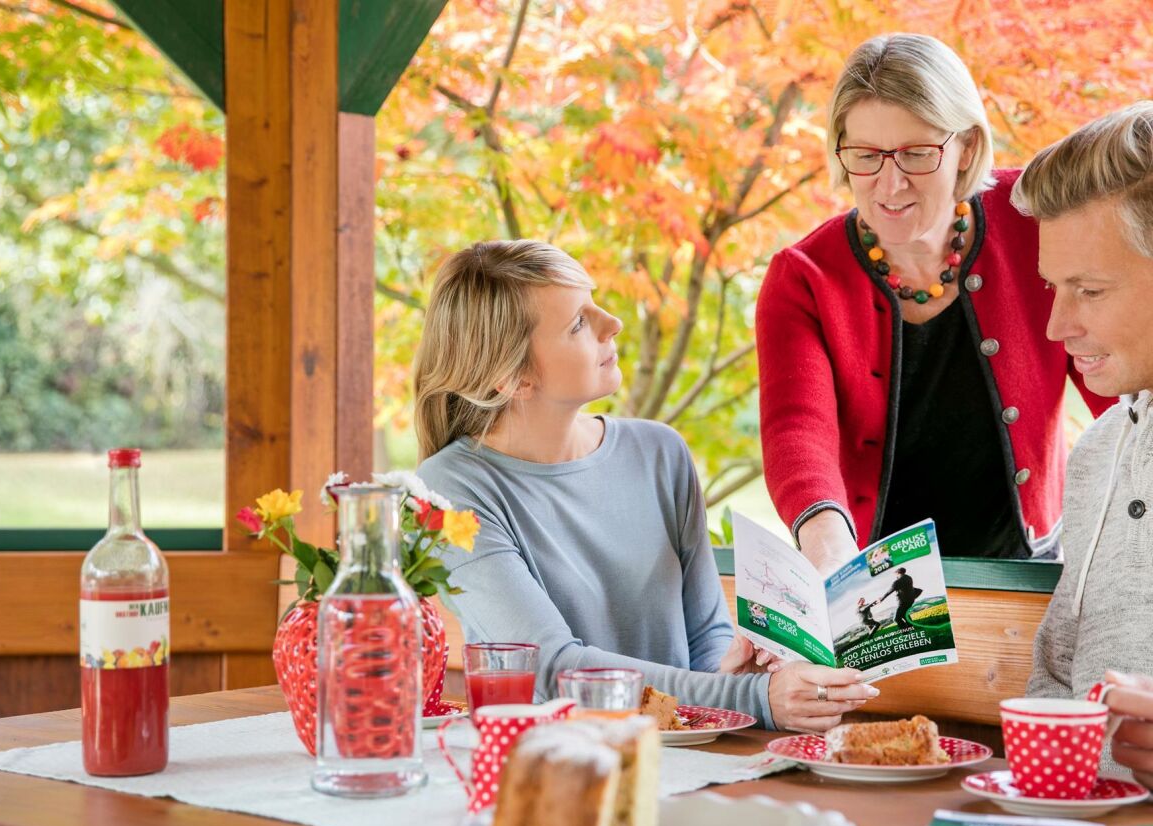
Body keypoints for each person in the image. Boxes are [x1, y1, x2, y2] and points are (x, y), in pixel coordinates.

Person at [414, 239, 878, 732]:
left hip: (687, 761)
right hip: (555, 770)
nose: (612, 322)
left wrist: (737, 670)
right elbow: (548, 669)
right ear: (513, 377)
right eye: (577, 322)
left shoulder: (661, 453)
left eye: (595, 302)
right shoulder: (447, 493)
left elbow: (703, 640)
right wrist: (754, 697)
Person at [755, 34, 1112, 576]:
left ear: (966, 147)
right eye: (866, 156)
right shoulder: (802, 278)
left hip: (1027, 567)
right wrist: (827, 548)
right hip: (876, 578)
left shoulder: (1036, 222)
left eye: (917, 154)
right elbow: (797, 430)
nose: (889, 183)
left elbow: (1113, 372)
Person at [1012, 104, 1153, 770]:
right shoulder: (1098, 450)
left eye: (1089, 290)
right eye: (1052, 288)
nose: (1055, 326)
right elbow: (1057, 684)